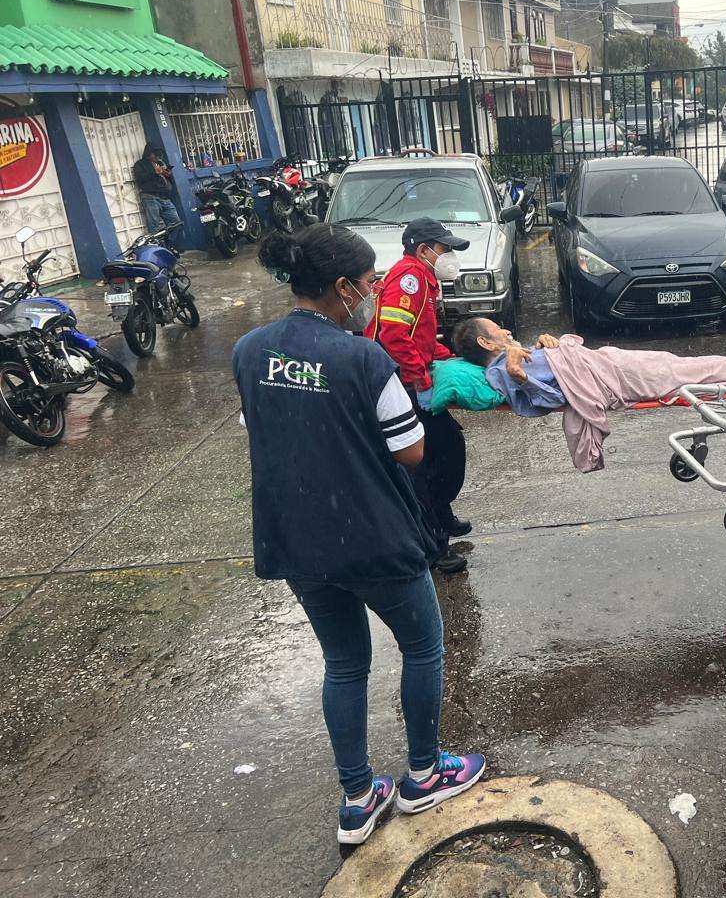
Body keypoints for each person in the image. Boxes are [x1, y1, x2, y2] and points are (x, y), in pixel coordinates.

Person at [232, 224, 485, 847]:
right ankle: (424, 775)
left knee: (344, 662)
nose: (375, 293)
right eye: (369, 283)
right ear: (342, 288)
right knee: (424, 644)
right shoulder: (362, 357)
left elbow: (258, 424)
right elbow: (412, 451)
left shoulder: (249, 350)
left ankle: (357, 797)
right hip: (371, 535)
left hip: (296, 539)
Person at [368, 218, 471, 575]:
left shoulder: (423, 279)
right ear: (424, 250)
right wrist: (420, 378)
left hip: (411, 376)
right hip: (401, 383)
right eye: (444, 249)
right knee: (422, 465)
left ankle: (442, 515)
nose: (449, 256)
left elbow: (419, 338)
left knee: (448, 446)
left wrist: (449, 358)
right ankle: (434, 544)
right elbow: (393, 334)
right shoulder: (409, 278)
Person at [452, 318, 564, 416]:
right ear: (486, 343)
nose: (508, 331)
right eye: (498, 328)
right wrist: (519, 374)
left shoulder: (515, 355)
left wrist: (546, 345)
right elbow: (555, 399)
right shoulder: (499, 372)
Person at [132, 143, 184, 252]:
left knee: (176, 223)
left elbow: (169, 180)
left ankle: (169, 247)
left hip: (164, 197)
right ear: (148, 154)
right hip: (150, 197)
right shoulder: (140, 165)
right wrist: (155, 172)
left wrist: (167, 174)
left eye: (158, 155)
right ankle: (157, 251)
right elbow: (140, 179)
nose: (157, 157)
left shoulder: (160, 163)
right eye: (154, 154)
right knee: (154, 227)